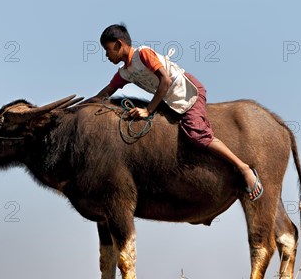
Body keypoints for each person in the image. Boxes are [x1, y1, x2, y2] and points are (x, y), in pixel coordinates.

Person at [88, 24, 263, 201]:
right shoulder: (125, 72)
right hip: (170, 101)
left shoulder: (143, 54)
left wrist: (148, 110)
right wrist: (82, 106)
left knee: (196, 134)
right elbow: (106, 93)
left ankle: (243, 168)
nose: (107, 55)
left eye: (107, 49)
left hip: (187, 93)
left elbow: (165, 80)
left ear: (119, 44)